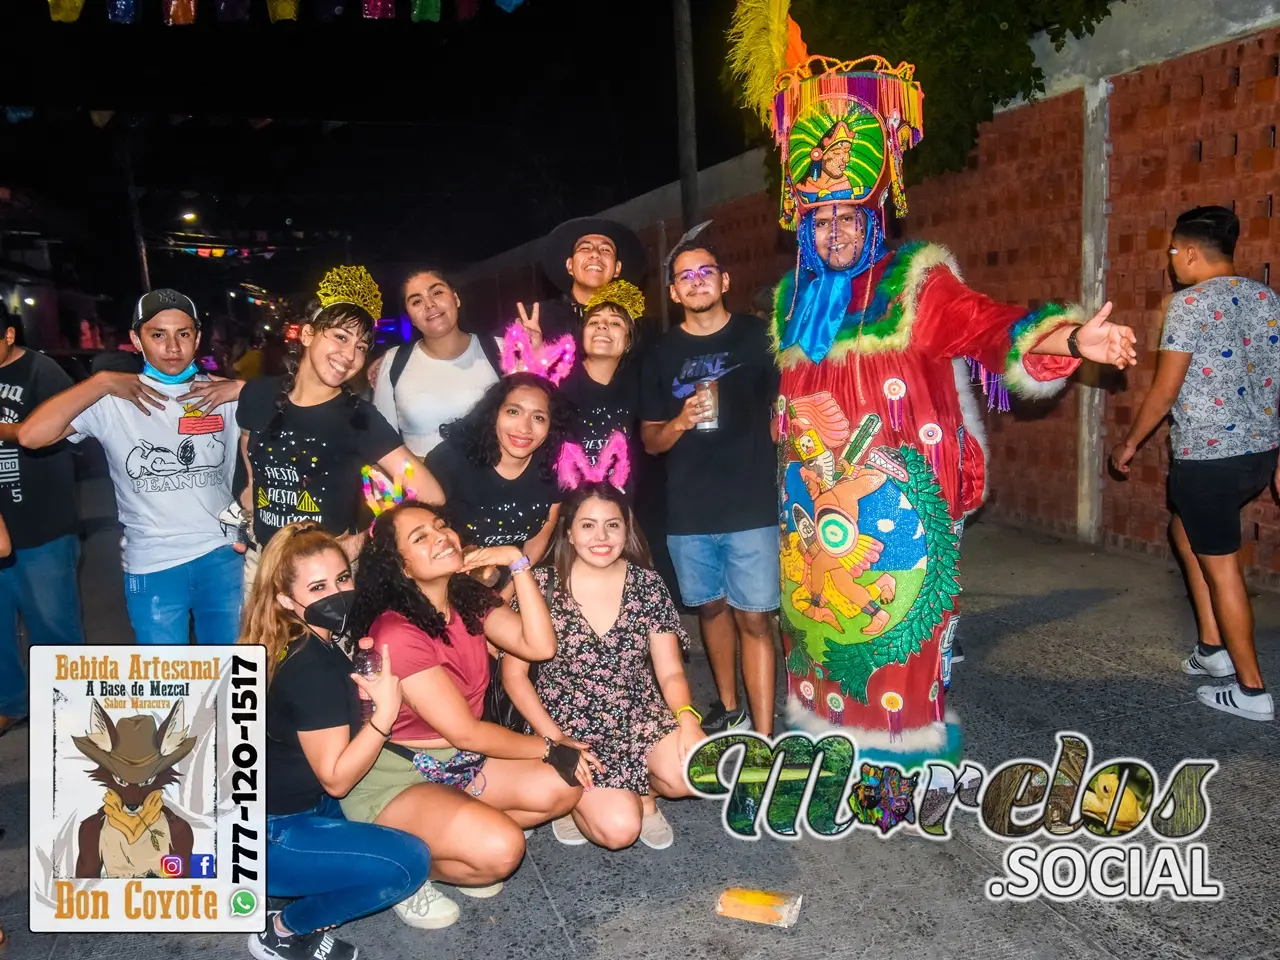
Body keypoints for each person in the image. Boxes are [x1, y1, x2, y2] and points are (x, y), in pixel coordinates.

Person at [724, 7, 1138, 768]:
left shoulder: (918, 281)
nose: (835, 232)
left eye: (850, 216)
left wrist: (1071, 338)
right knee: (817, 631)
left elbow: (990, 325)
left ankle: (903, 771)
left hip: (896, 508)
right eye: (820, 219)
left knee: (900, 639)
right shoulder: (791, 304)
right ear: (801, 227)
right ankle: (829, 752)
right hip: (812, 508)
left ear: (875, 217)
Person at [341, 500, 587, 927]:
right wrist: (550, 745)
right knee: (503, 850)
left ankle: (457, 834)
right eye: (421, 537)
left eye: (441, 527)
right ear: (400, 565)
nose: (442, 537)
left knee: (563, 788)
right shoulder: (396, 631)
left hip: (457, 764)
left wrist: (517, 561)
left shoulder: (465, 599)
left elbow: (540, 646)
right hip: (399, 776)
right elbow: (466, 733)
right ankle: (399, 871)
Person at [1111, 206, 1277, 722]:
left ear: (1188, 253)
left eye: (1172, 251)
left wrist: (1131, 442)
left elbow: (1165, 390)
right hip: (1257, 454)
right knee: (1184, 531)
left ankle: (1251, 690)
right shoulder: (1267, 299)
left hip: (1208, 459)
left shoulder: (1189, 305)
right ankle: (1211, 648)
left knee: (1222, 567)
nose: (1170, 260)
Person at [239, 521, 432, 960]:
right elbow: (337, 780)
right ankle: (285, 930)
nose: (337, 593)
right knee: (409, 863)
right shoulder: (310, 667)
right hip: (272, 834)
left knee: (401, 813)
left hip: (265, 810)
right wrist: (385, 711)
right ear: (287, 599)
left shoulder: (289, 639)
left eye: (342, 579)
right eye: (319, 586)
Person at [19, 289, 245, 645]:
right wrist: (102, 381)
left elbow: (299, 410)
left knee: (231, 676)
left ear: (197, 338)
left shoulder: (225, 394)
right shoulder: (113, 400)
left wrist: (245, 389)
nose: (172, 347)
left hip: (222, 556)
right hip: (152, 563)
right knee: (165, 683)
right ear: (135, 340)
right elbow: (31, 436)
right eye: (158, 335)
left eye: (183, 334)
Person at [502, 473, 700, 850]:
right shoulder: (541, 586)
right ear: (570, 533)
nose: (601, 537)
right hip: (565, 721)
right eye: (588, 526)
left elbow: (671, 670)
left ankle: (645, 794)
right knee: (619, 831)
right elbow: (514, 677)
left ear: (627, 531)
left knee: (691, 772)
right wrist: (557, 740)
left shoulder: (647, 585)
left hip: (637, 712)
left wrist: (687, 719)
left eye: (612, 526)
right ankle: (571, 803)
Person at [214, 267, 443, 589]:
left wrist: (364, 540)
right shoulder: (257, 395)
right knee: (260, 642)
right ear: (308, 334)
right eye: (340, 336)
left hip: (328, 576)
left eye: (362, 346)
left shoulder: (359, 419)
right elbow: (249, 452)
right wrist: (250, 505)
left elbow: (430, 494)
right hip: (263, 565)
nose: (350, 355)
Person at [640, 237, 781, 736]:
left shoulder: (760, 338)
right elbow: (651, 441)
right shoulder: (659, 353)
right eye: (685, 276)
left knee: (755, 619)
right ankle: (728, 705)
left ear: (724, 280)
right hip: (690, 508)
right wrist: (678, 421)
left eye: (705, 272)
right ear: (674, 292)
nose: (696, 281)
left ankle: (763, 733)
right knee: (712, 608)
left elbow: (782, 409)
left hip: (751, 503)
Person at [0, 308, 83, 734]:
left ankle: (70, 710)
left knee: (53, 625)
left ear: (9, 334)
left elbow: (67, 428)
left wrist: (5, 431)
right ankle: (10, 703)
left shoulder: (42, 371)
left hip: (41, 525)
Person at [424, 372, 574, 572]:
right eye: (513, 412)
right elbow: (427, 534)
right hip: (453, 572)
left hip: (521, 573)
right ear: (494, 414)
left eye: (538, 417)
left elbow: (537, 541)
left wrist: (512, 586)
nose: (524, 428)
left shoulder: (556, 466)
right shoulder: (450, 460)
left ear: (550, 426)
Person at [371, 269, 500, 457]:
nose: (429, 304)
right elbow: (381, 444)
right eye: (416, 301)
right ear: (411, 319)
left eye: (437, 292)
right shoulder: (394, 362)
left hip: (490, 482)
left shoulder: (500, 351)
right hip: (420, 482)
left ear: (456, 298)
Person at [558, 280, 644, 487]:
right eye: (594, 322)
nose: (602, 326)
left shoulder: (638, 384)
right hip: (564, 508)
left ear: (628, 341)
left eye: (615, 323)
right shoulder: (556, 383)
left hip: (617, 508)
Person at [523, 217, 647, 343]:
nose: (595, 254)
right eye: (585, 248)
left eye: (605, 250)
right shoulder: (534, 320)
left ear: (617, 268)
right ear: (570, 265)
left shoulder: (634, 329)